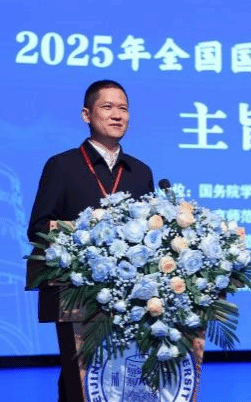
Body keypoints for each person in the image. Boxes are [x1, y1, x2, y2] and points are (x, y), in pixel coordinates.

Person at [27, 79, 155, 402]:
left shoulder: (141, 172)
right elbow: (38, 227)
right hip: (76, 294)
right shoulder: (62, 166)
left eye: (123, 108)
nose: (117, 115)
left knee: (122, 381)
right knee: (81, 380)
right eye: (107, 107)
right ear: (86, 115)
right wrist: (87, 232)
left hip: (130, 300)